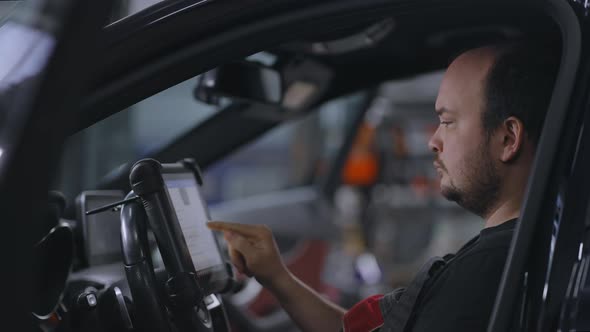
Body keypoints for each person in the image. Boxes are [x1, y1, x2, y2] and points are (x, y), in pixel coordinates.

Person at [207, 40, 560, 332]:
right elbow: (353, 328)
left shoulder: (485, 274)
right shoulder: (515, 251)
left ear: (508, 138)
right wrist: (276, 276)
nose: (433, 141)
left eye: (448, 122)